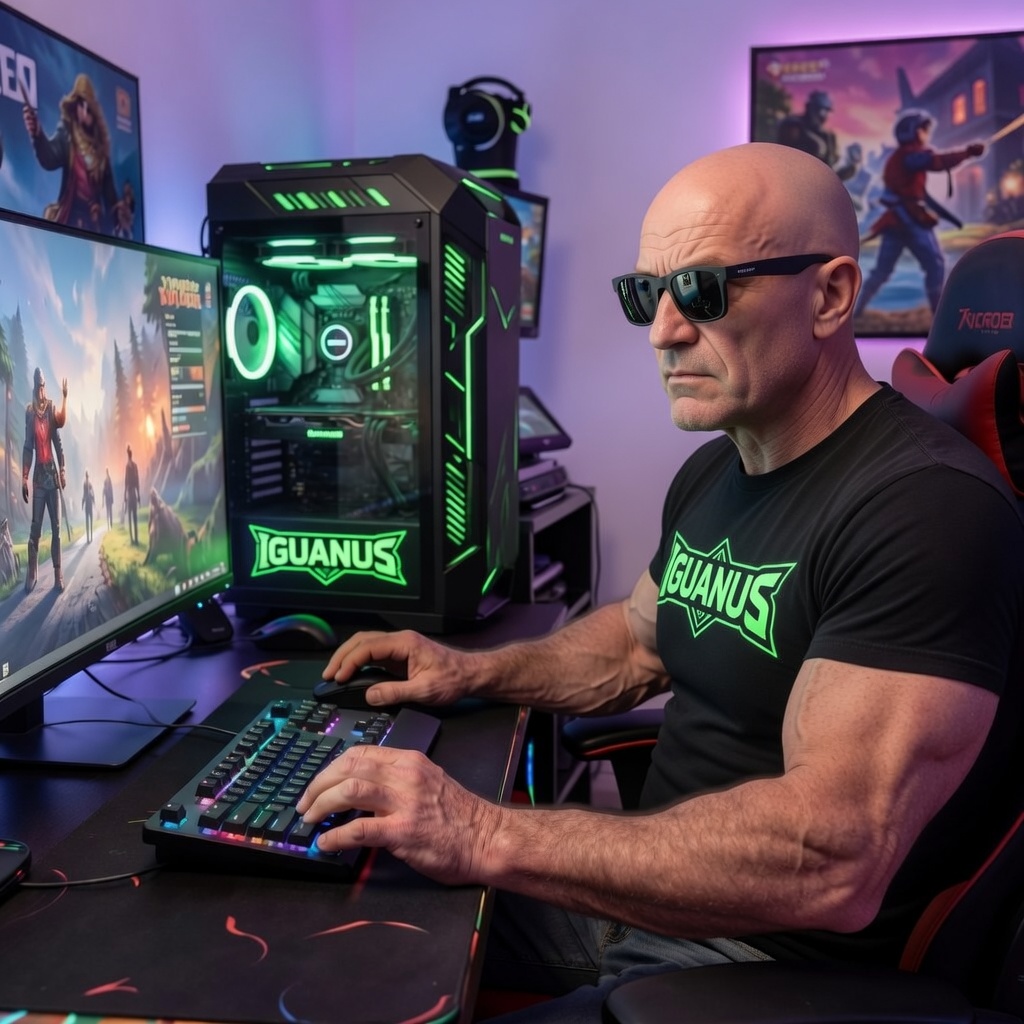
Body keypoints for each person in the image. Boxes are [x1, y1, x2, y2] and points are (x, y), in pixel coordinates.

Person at [296, 142, 1024, 1022]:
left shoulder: (927, 509)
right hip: (645, 889)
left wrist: (482, 830)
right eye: (647, 294)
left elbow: (832, 860)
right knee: (312, 914)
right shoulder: (722, 465)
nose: (664, 331)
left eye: (705, 291)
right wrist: (467, 670)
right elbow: (638, 644)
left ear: (830, 296)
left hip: (755, 964)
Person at [856, 111, 984, 317]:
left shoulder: (904, 157)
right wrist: (967, 153)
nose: (926, 133)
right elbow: (936, 162)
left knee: (882, 271)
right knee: (935, 265)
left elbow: (920, 192)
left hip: (898, 220)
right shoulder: (909, 157)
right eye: (923, 129)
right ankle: (939, 316)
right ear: (913, 132)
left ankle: (857, 312)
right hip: (907, 220)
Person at [22, 73, 134, 237]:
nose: (84, 110)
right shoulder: (68, 133)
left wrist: (119, 211)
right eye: (80, 104)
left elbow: (109, 194)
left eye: (87, 105)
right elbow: (49, 158)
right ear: (75, 106)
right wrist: (37, 133)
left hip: (94, 224)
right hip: (71, 218)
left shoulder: (100, 150)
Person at [22, 367, 68, 593]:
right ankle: (32, 571)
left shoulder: (50, 408)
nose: (41, 389)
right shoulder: (30, 412)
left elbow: (58, 441)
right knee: (35, 528)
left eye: (43, 385)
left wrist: (63, 469)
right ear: (34, 386)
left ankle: (58, 573)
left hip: (52, 475)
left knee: (56, 528)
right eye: (38, 386)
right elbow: (27, 446)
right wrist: (24, 477)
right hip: (39, 478)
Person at [776, 89, 861, 181]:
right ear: (810, 108)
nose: (823, 116)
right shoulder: (793, 125)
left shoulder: (828, 137)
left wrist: (852, 167)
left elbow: (831, 172)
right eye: (821, 110)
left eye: (826, 112)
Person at [124, 445, 140, 545]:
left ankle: (132, 539)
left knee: (130, 517)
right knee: (134, 517)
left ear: (128, 455)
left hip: (130, 493)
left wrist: (124, 496)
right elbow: (137, 481)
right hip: (133, 492)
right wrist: (139, 495)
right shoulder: (135, 466)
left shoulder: (128, 466)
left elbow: (126, 482)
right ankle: (136, 539)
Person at [81, 470, 95, 543]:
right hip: (88, 504)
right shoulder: (88, 484)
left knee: (89, 521)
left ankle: (89, 537)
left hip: (88, 504)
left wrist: (82, 504)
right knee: (89, 520)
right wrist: (93, 502)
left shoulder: (88, 484)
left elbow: (87, 494)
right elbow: (92, 494)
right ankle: (89, 537)